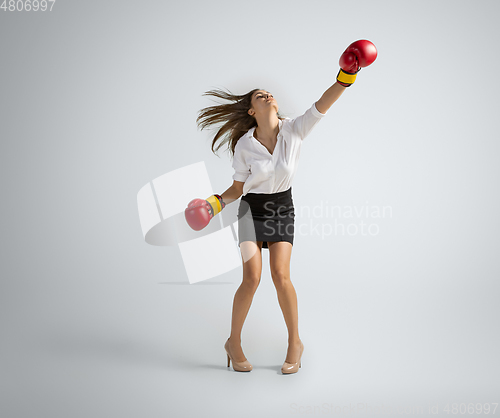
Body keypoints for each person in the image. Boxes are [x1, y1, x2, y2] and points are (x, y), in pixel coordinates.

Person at [185, 40, 377, 374]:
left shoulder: (294, 130)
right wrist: (214, 204)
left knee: (280, 275)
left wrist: (347, 75)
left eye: (269, 93)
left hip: (281, 209)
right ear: (251, 111)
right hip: (249, 211)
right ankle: (233, 341)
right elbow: (237, 188)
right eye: (260, 96)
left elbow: (322, 105)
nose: (268, 96)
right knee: (252, 278)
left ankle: (295, 343)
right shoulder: (244, 146)